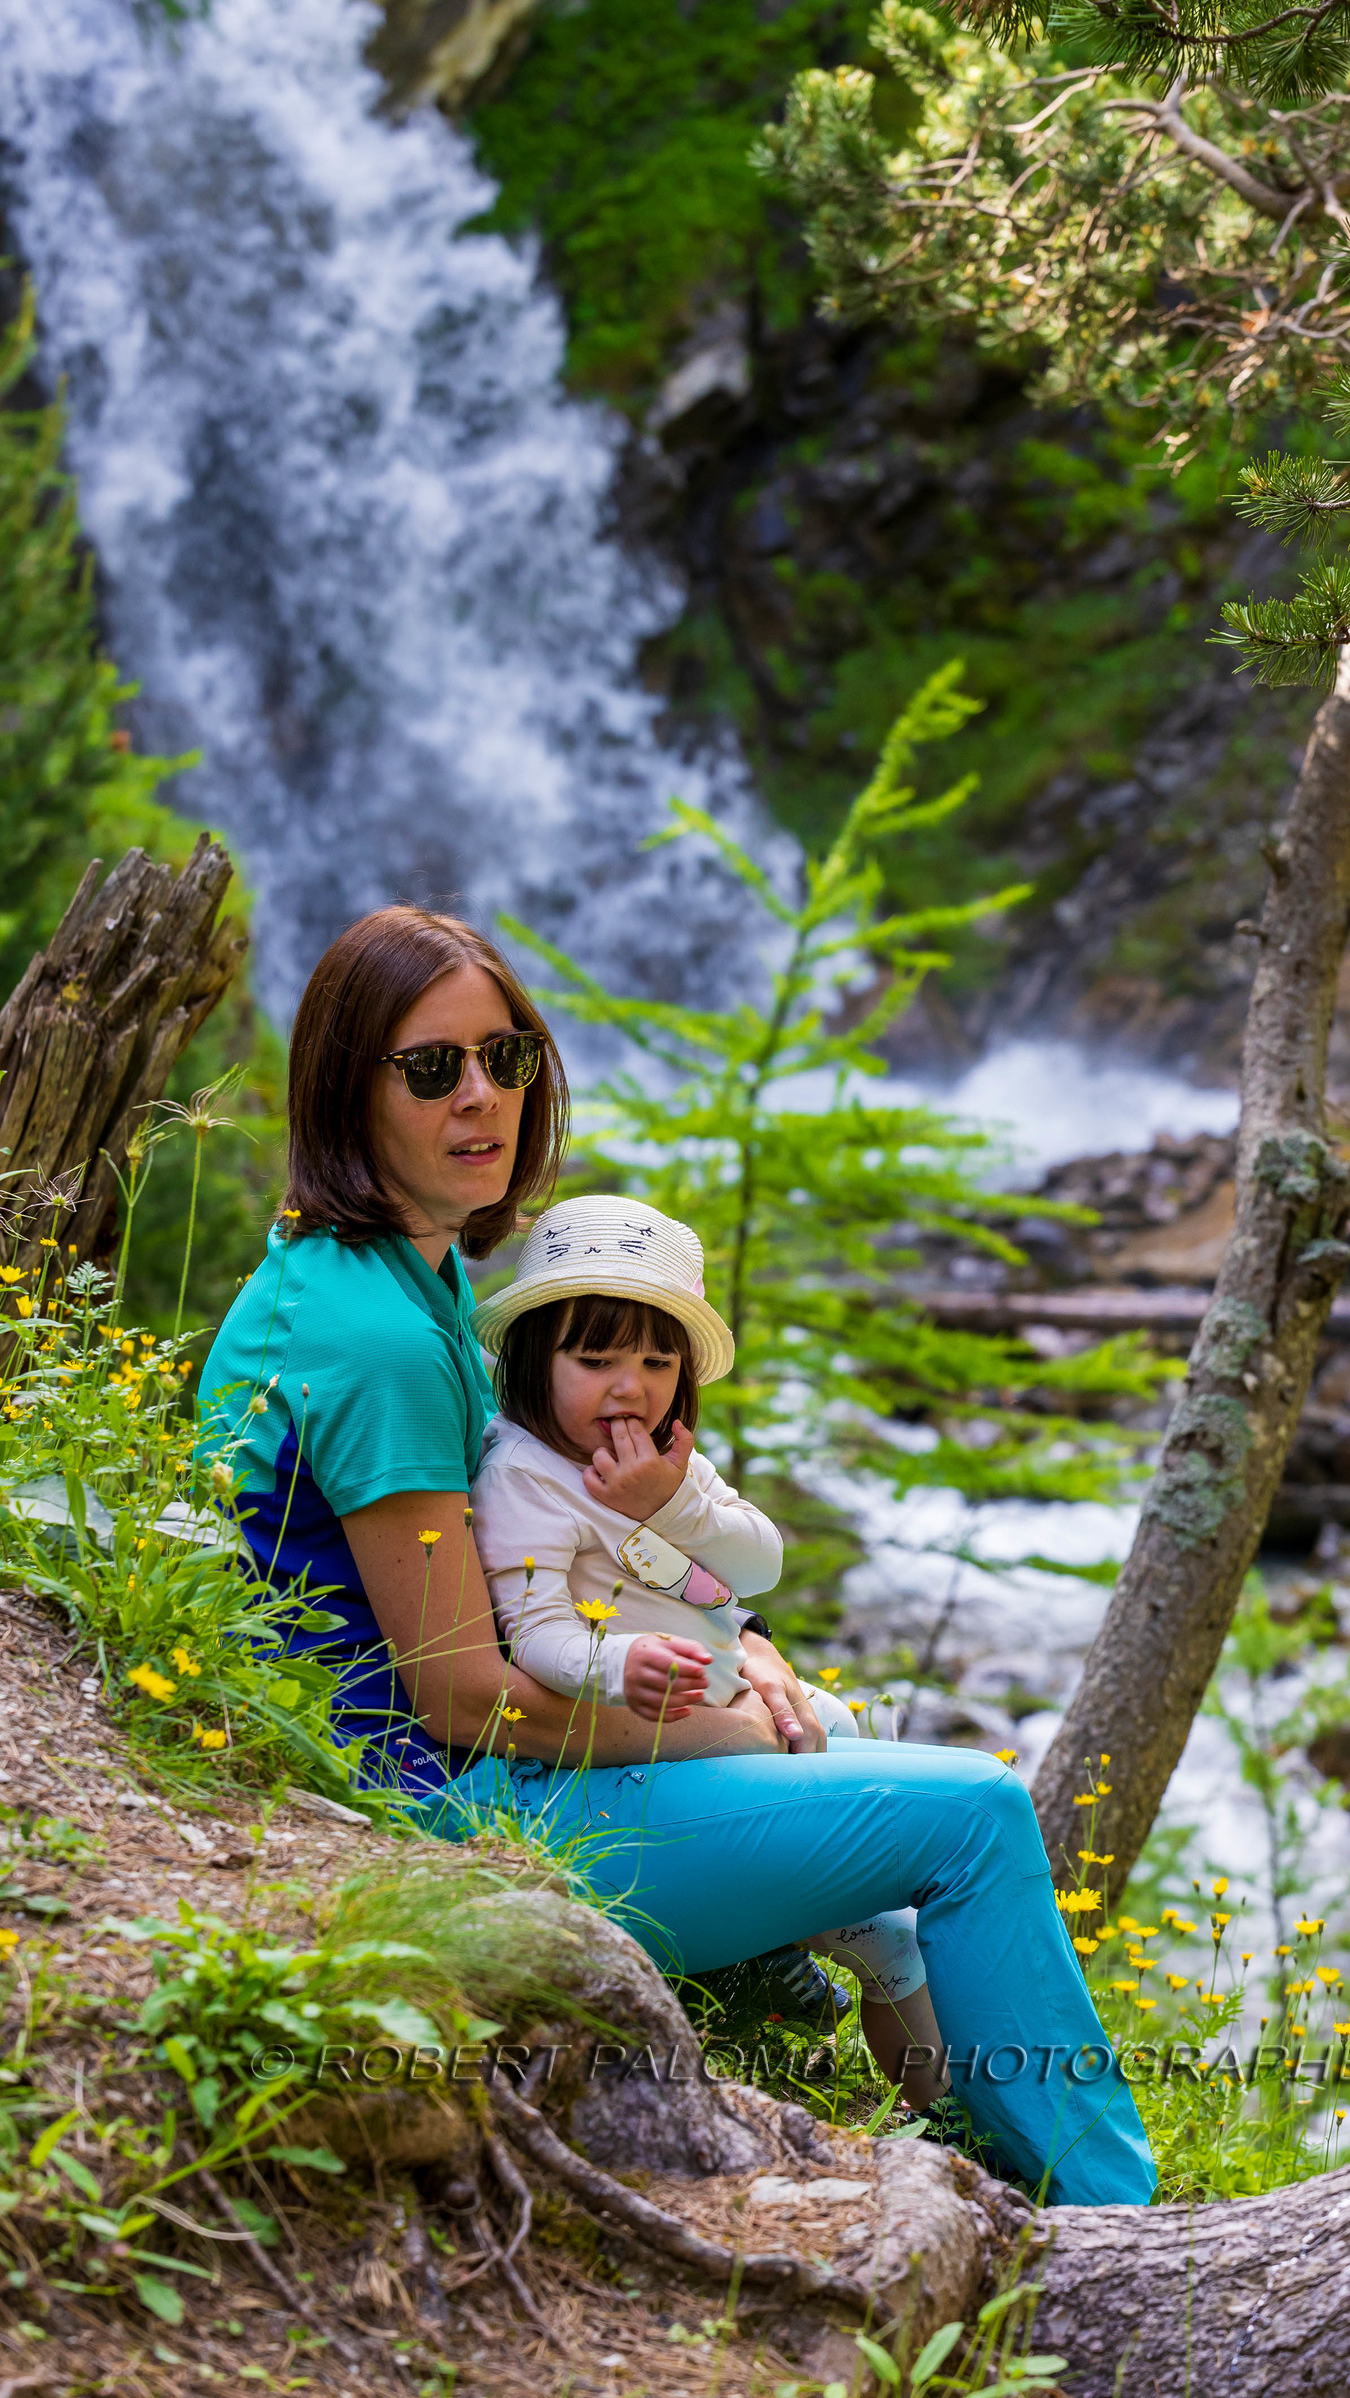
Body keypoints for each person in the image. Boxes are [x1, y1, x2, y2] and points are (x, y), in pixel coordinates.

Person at [197, 904, 1155, 2207]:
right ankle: (1120, 2222)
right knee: (978, 1815)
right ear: (341, 1087)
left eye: (508, 1058)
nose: (483, 1099)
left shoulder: (379, 1279)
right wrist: (724, 1722)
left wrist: (741, 1648)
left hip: (436, 1782)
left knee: (845, 1730)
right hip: (446, 1819)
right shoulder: (378, 1340)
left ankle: (980, 2134)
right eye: (432, 1069)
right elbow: (459, 1693)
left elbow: (539, 1557)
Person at [469, 1189, 941, 2102]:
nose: (628, 1386)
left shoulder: (669, 1461)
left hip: (742, 1708)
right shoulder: (522, 1476)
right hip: (637, 1753)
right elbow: (534, 1634)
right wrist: (618, 1666)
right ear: (533, 1356)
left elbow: (756, 1563)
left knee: (890, 1838)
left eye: (655, 1360)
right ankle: (944, 2109)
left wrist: (671, 1501)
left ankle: (961, 2110)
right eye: (594, 1357)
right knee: (890, 1932)